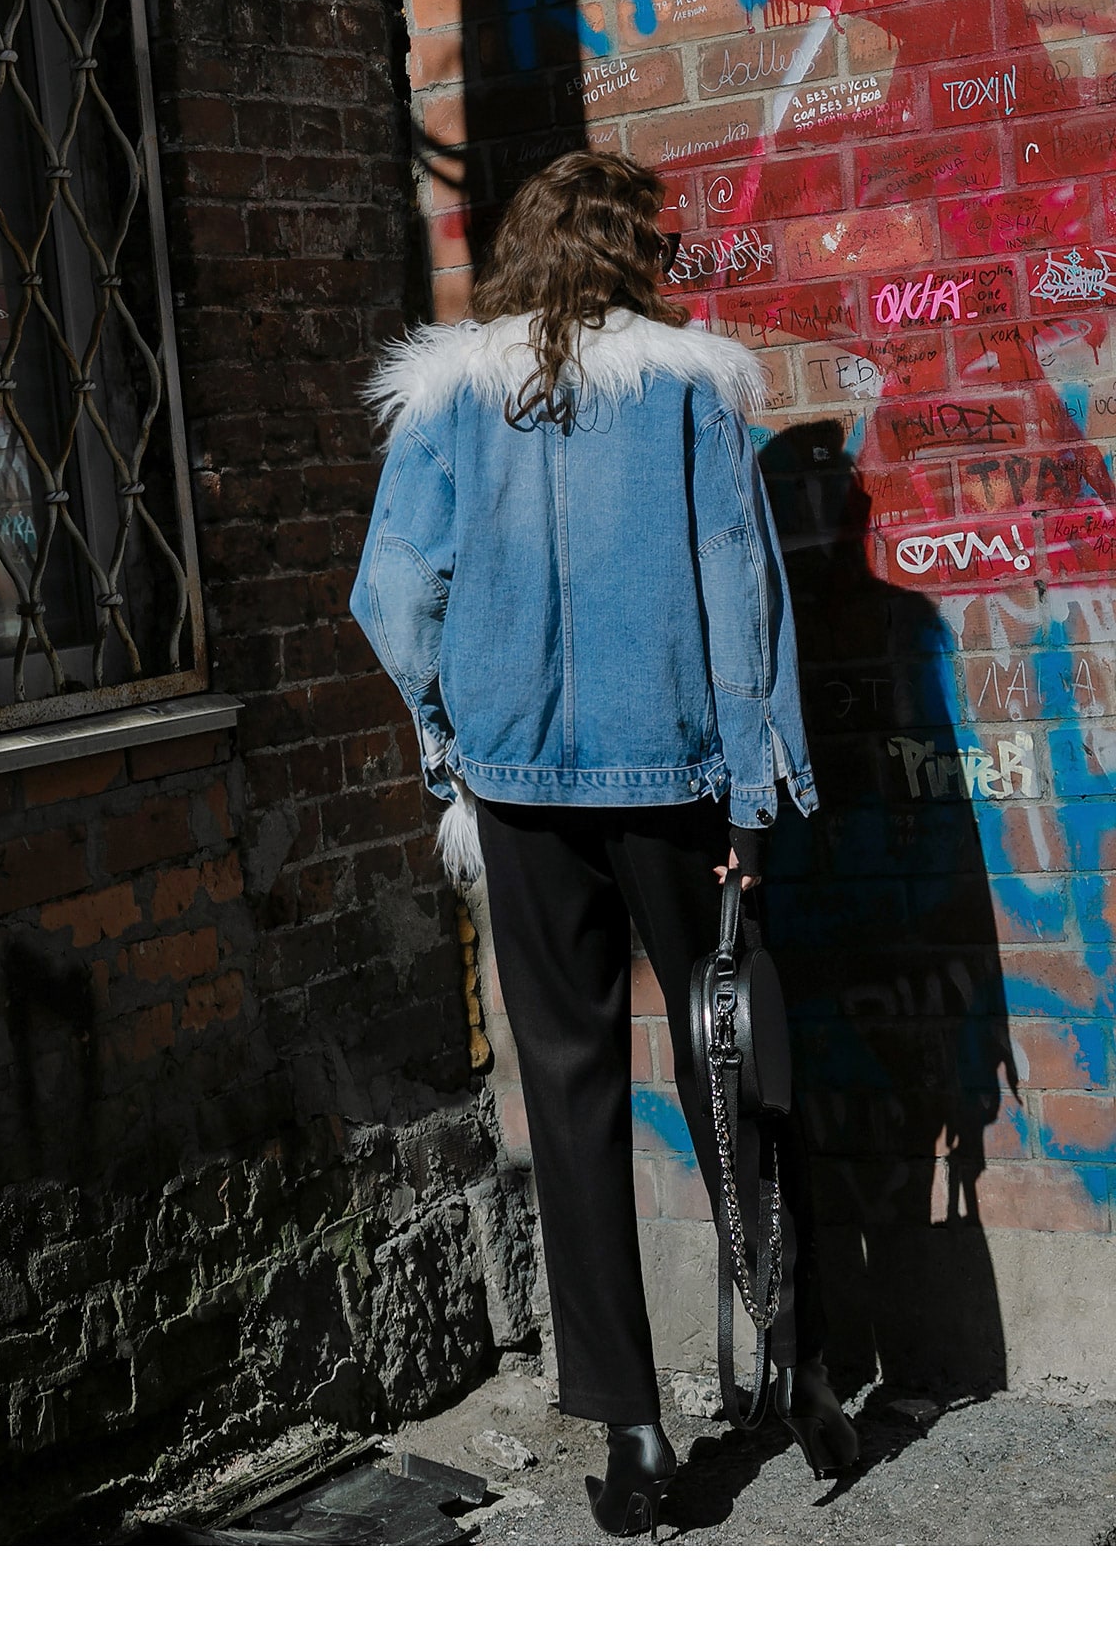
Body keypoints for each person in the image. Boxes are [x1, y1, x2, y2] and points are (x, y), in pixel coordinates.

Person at [349, 149, 858, 1539]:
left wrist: (452, 734)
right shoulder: (690, 390)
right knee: (732, 1066)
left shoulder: (453, 400)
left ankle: (632, 1437)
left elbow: (391, 592)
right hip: (674, 780)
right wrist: (754, 795)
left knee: (570, 1095)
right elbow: (741, 598)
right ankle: (805, 1375)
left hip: (518, 793)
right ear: (632, 254)